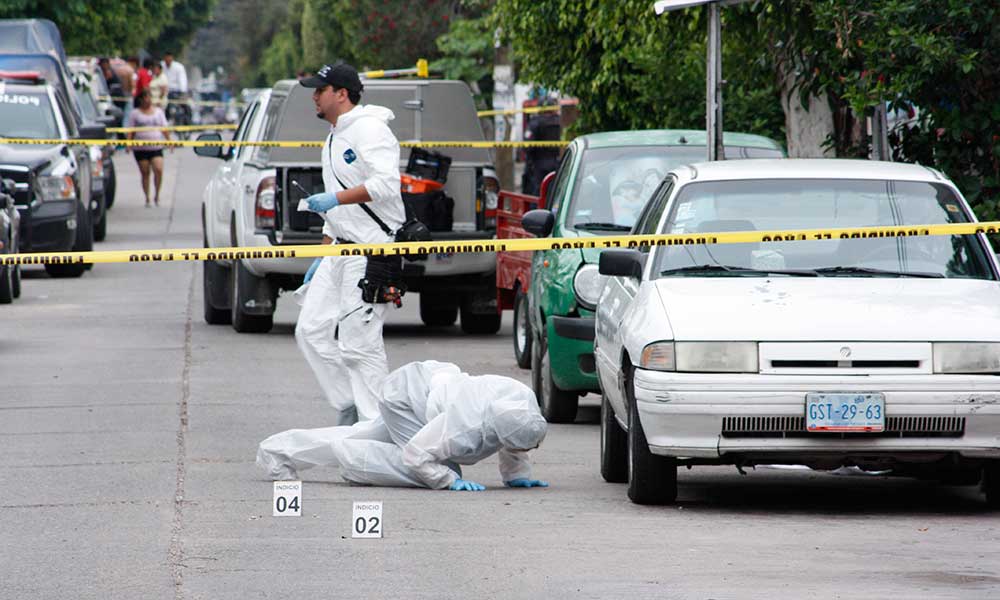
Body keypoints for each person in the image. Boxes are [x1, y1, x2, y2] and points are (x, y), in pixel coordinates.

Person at [294, 63, 406, 425]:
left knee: (360, 345)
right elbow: (337, 209)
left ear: (341, 93)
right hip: (339, 249)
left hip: (371, 252)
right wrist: (323, 253)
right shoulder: (333, 135)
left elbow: (387, 185)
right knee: (310, 331)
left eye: (320, 90)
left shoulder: (370, 130)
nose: (314, 95)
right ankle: (351, 405)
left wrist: (336, 199)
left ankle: (378, 427)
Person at [256, 361, 550, 491]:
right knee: (440, 469)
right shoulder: (464, 426)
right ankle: (354, 458)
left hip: (423, 384)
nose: (525, 449)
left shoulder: (521, 403)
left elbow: (513, 432)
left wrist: (516, 474)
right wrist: (447, 481)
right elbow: (416, 454)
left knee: (362, 432)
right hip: (405, 399)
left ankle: (277, 454)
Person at [125, 90, 170, 207]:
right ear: (141, 100)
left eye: (149, 97)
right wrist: (128, 144)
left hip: (156, 147)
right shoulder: (135, 114)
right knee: (145, 173)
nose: (147, 100)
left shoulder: (158, 112)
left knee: (158, 169)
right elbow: (131, 130)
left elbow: (164, 128)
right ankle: (147, 197)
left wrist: (169, 141)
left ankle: (157, 195)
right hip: (141, 149)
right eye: (145, 97)